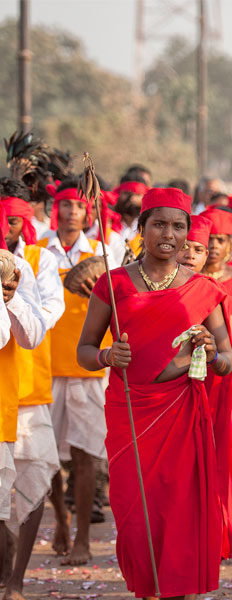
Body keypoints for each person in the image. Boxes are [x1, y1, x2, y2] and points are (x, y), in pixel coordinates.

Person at [77, 187, 232, 597]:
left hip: (182, 413)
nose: (170, 233)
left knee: (180, 513)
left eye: (179, 226)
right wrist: (109, 355)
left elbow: (228, 363)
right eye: (160, 224)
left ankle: (178, 591)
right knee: (136, 518)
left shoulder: (202, 289)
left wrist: (211, 350)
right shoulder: (113, 284)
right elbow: (85, 350)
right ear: (141, 228)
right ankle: (147, 590)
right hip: (131, 413)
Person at [37, 179, 119, 565]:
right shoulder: (37, 253)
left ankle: (83, 538)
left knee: (86, 457)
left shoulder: (104, 253)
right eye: (65, 204)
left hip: (90, 369)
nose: (72, 212)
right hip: (46, 366)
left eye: (79, 206)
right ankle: (60, 519)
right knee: (50, 456)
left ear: (89, 213)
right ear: (57, 209)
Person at [177, 213, 232, 560]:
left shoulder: (218, 293)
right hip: (170, 396)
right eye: (191, 248)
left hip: (217, 392)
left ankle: (215, 534)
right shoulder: (150, 289)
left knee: (215, 463)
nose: (200, 253)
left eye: (204, 247)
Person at [1, 182, 64, 600]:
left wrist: (10, 294)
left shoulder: (41, 260)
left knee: (34, 479)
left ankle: (15, 580)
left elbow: (38, 329)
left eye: (12, 219)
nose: (6, 226)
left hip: (31, 390)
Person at [0, 201, 46, 590]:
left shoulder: (21, 267)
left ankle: (11, 580)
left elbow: (29, 336)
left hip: (12, 402)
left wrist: (9, 296)